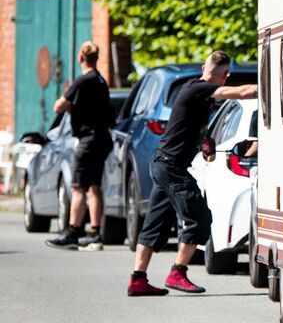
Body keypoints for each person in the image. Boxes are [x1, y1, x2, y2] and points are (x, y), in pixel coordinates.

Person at [127, 51, 257, 296]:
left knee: (155, 224)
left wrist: (204, 142)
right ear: (225, 74)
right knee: (199, 219)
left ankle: (138, 280)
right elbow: (242, 92)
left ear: (202, 67)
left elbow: (188, 126)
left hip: (164, 165)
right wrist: (273, 84)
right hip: (172, 168)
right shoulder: (199, 88)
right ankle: (178, 272)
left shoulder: (197, 93)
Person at [45, 42, 114, 251]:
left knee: (77, 187)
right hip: (103, 138)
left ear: (80, 58)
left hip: (88, 139)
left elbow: (58, 106)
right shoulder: (101, 81)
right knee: (94, 186)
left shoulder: (83, 80)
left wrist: (67, 102)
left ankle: (72, 232)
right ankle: (94, 233)